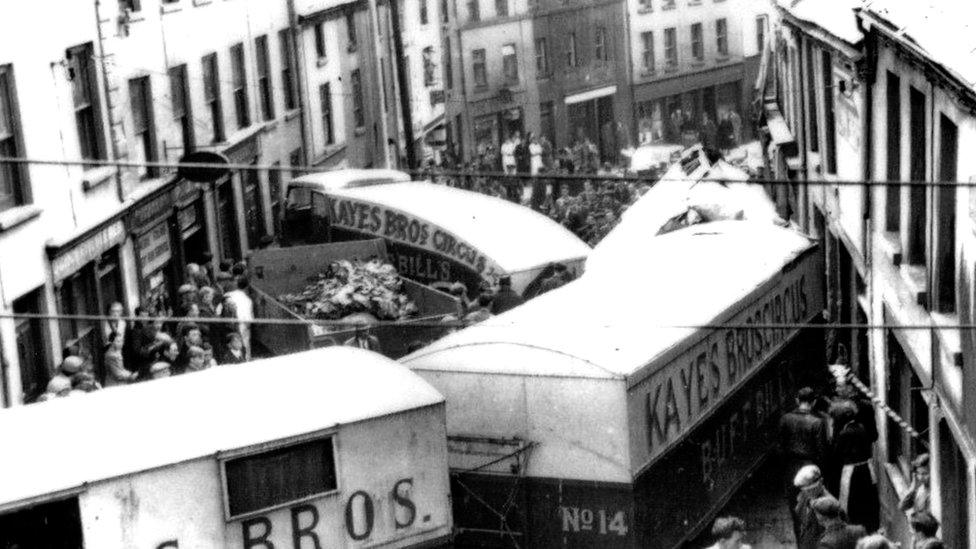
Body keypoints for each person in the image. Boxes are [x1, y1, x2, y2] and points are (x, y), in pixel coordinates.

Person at [779, 387, 829, 524]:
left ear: (797, 400)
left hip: (791, 468)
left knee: (795, 507)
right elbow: (822, 451)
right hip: (810, 468)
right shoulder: (818, 422)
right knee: (813, 507)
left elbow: (781, 447)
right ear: (814, 402)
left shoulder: (785, 419)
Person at [832, 396, 879, 532]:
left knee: (851, 504)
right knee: (867, 501)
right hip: (866, 469)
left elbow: (837, 454)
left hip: (850, 472)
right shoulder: (863, 428)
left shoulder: (844, 433)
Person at [794, 465, 834, 549]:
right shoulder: (804, 496)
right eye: (805, 490)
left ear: (821, 482)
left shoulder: (829, 505)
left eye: (811, 489)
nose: (808, 493)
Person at [225, 276, 254, 360]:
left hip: (231, 326)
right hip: (243, 326)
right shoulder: (247, 300)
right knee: (245, 347)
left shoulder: (228, 296)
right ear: (247, 287)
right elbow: (249, 318)